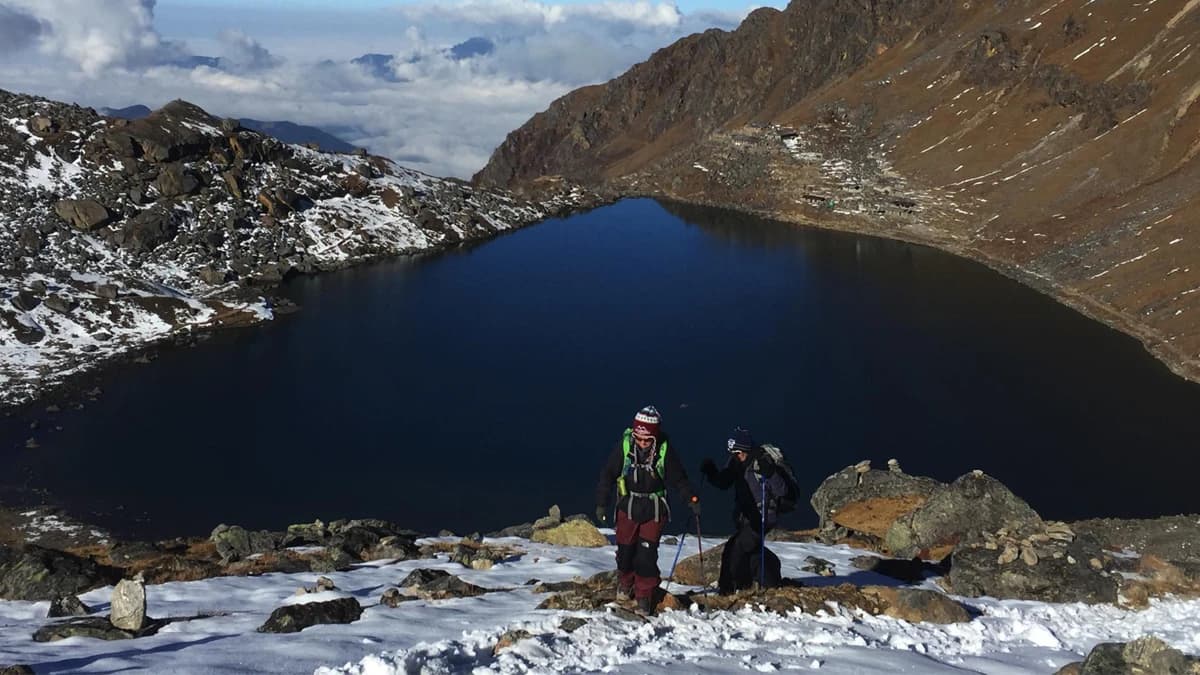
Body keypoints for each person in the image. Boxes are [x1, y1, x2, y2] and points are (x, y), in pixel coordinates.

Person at [596, 405, 700, 614]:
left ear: (654, 436)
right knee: (625, 552)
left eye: (647, 439)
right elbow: (608, 474)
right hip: (628, 505)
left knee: (646, 555)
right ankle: (625, 583)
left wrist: (691, 498)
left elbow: (678, 479)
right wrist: (601, 503)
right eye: (639, 438)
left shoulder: (664, 451)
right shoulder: (625, 447)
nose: (642, 443)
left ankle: (644, 595)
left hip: (653, 509)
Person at [700, 427, 785, 594]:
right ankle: (767, 582)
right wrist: (711, 472)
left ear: (746, 449)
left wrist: (770, 472)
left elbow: (782, 491)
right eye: (733, 453)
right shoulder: (736, 462)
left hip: (762, 517)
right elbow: (724, 482)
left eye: (738, 452)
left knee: (736, 548)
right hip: (746, 517)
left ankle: (727, 590)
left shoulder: (761, 462)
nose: (736, 456)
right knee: (751, 550)